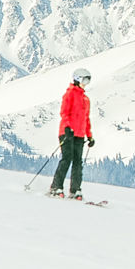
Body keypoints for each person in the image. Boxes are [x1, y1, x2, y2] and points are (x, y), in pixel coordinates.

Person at [48, 69, 97, 199]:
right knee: (67, 159)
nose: (86, 83)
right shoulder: (69, 94)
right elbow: (64, 112)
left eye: (88, 80)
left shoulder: (85, 99)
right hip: (67, 132)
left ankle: (75, 189)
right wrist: (68, 128)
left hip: (80, 135)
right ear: (77, 79)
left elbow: (86, 119)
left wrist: (89, 136)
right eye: (84, 80)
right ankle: (56, 186)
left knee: (77, 162)